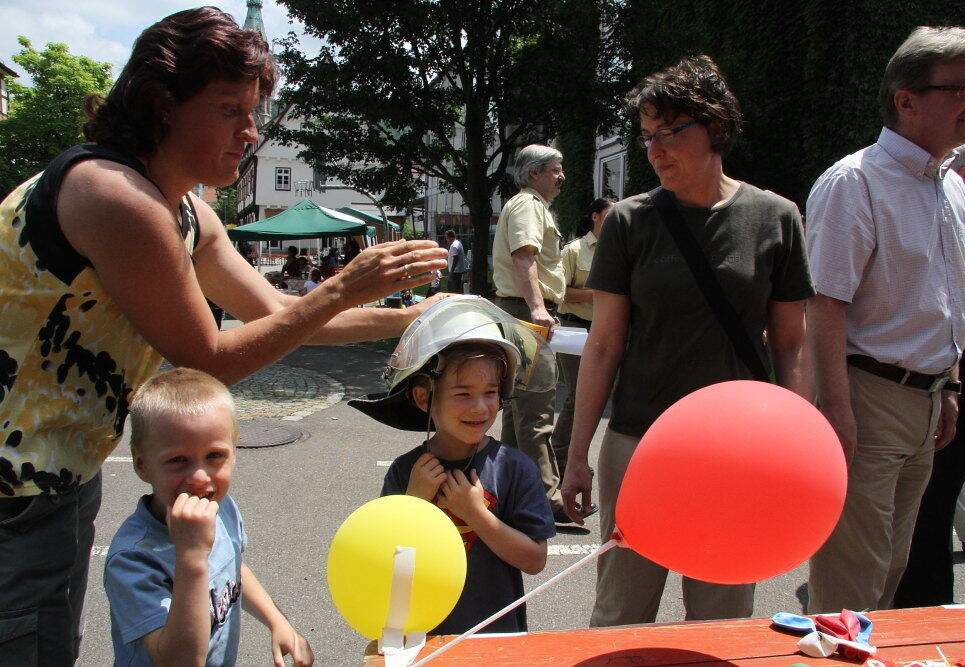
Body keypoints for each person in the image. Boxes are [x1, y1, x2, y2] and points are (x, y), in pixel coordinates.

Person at [0, 8, 447, 663]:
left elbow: (273, 313)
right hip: (17, 490)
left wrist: (415, 317)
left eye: (255, 109)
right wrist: (344, 286)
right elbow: (207, 357)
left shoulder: (186, 210)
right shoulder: (111, 193)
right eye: (229, 108)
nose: (251, 130)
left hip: (59, 474)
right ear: (162, 105)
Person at [561, 55, 813, 626]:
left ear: (715, 127)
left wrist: (798, 447)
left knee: (723, 614)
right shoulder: (629, 222)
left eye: (668, 134)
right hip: (640, 441)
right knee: (621, 612)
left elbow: (792, 344)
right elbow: (602, 346)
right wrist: (576, 457)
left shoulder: (776, 218)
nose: (653, 151)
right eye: (646, 137)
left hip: (738, 451)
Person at [806, 26, 965, 614]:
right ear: (906, 99)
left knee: (892, 566)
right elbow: (826, 304)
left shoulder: (951, 187)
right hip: (867, 395)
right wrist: (836, 410)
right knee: (851, 576)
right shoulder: (855, 182)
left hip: (928, 398)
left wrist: (953, 385)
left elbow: (953, 300)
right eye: (963, 89)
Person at [348, 297, 556, 634]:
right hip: (421, 637)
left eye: (491, 392)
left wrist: (476, 514)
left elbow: (535, 560)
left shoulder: (514, 469)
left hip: (496, 640)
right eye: (462, 394)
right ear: (423, 397)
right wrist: (413, 503)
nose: (481, 407)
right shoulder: (405, 472)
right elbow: (382, 560)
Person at [104, 368, 313, 666]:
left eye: (215, 456)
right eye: (177, 460)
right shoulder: (134, 558)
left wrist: (277, 620)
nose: (200, 478)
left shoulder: (222, 508)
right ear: (141, 464)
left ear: (234, 451)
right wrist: (191, 557)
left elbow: (233, 569)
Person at [896, 128, 965, 606]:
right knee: (936, 487)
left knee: (935, 492)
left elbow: (960, 288)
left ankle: (923, 612)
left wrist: (952, 381)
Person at [492, 144, 568, 521]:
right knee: (535, 409)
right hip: (526, 312)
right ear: (534, 172)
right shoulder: (528, 205)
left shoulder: (526, 204)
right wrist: (539, 308)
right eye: (555, 169)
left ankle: (507, 492)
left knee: (519, 408)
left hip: (520, 311)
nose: (561, 176)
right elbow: (525, 255)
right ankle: (548, 501)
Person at [551, 197, 615, 480]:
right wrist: (600, 291)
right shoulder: (574, 250)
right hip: (575, 329)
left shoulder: (619, 249)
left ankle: (575, 458)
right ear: (595, 217)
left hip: (607, 329)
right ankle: (560, 456)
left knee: (602, 396)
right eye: (611, 214)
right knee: (579, 395)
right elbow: (560, 292)